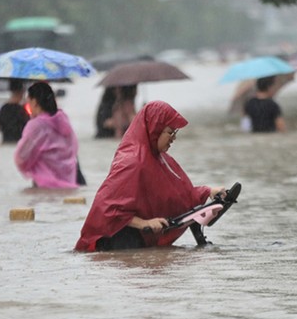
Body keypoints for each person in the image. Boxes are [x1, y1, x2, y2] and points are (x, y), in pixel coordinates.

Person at [75, 101, 224, 252]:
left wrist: (208, 191)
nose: (173, 138)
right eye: (170, 132)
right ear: (155, 129)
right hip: (118, 241)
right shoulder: (131, 161)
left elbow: (178, 194)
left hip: (140, 241)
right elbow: (108, 209)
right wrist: (143, 223)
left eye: (175, 133)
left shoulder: (160, 159)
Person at [14, 81, 80, 188]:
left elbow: (21, 157)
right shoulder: (64, 120)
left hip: (44, 186)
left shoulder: (36, 125)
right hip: (69, 184)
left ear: (34, 102)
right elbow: (74, 148)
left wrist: (32, 166)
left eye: (28, 102)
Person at [0, 78, 30, 143]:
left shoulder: (4, 108)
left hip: (6, 142)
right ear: (21, 92)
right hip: (19, 143)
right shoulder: (21, 110)